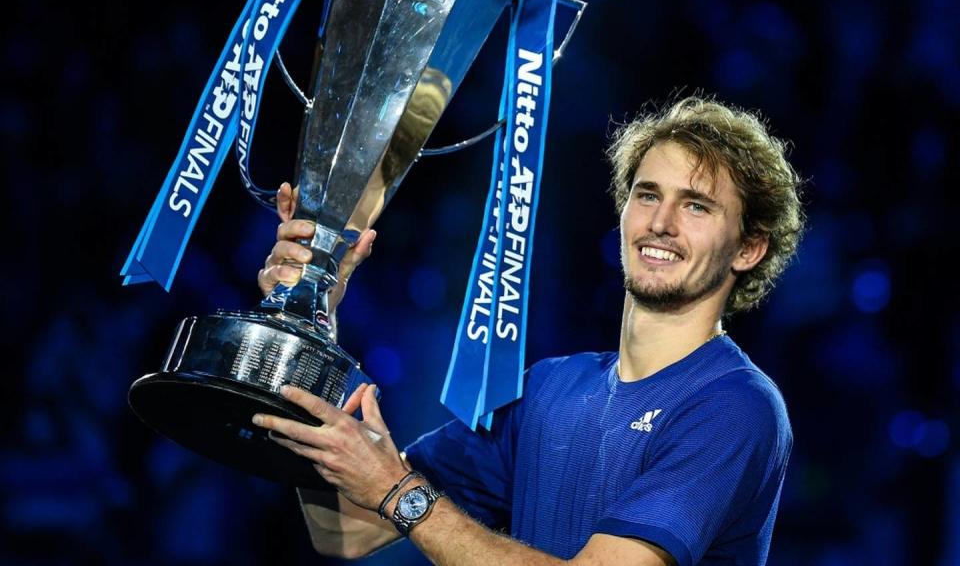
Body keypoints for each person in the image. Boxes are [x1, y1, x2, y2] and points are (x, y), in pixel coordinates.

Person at [252, 96, 804, 565]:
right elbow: (345, 530)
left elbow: (394, 496)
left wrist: (396, 490)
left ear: (749, 248)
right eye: (648, 194)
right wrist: (312, 317)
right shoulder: (547, 389)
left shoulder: (734, 405)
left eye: (697, 206)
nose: (661, 223)